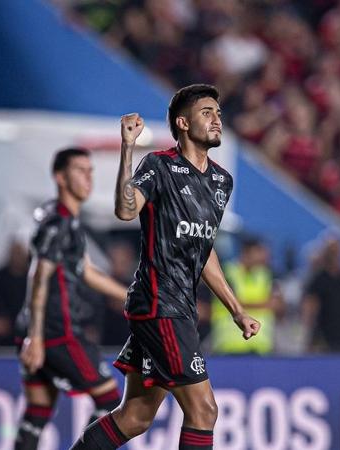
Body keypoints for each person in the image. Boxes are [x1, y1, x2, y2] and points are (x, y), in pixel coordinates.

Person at [70, 84, 261, 450]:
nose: (217, 118)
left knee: (135, 417)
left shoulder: (222, 181)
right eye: (207, 112)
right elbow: (127, 210)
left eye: (218, 113)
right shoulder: (159, 166)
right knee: (204, 410)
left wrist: (236, 310)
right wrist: (128, 147)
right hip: (159, 304)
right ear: (183, 123)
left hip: (177, 309)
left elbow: (203, 251)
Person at [14, 148, 128, 450]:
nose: (88, 177)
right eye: (80, 170)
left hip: (37, 331)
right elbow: (39, 277)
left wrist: (130, 295)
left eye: (90, 171)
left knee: (37, 411)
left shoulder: (69, 221)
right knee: (111, 401)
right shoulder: (58, 222)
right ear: (60, 178)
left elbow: (87, 271)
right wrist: (36, 337)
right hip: (56, 332)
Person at [211, 238, 281, 354]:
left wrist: (245, 304)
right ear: (247, 252)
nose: (265, 255)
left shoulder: (267, 274)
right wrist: (265, 304)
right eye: (259, 251)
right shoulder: (227, 271)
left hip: (261, 346)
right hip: (228, 345)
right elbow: (234, 301)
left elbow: (278, 305)